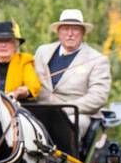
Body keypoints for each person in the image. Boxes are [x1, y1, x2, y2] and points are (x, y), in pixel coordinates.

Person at [33, 8, 111, 140]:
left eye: (75, 29)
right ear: (59, 31)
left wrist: (65, 110)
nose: (70, 34)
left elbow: (98, 97)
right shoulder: (42, 51)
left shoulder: (98, 60)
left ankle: (64, 160)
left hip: (75, 114)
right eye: (65, 29)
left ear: (83, 32)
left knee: (71, 123)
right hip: (40, 110)